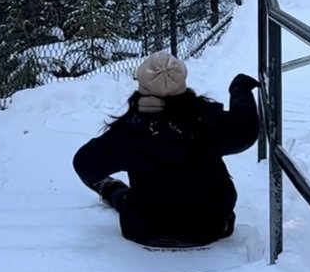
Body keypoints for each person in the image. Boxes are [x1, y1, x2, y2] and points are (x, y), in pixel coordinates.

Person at [73, 51, 260, 248]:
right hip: (211, 226)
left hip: (146, 228)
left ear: (142, 86)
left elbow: (84, 164)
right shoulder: (207, 121)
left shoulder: (128, 132)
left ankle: (112, 190)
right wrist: (240, 91)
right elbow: (244, 133)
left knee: (129, 200)